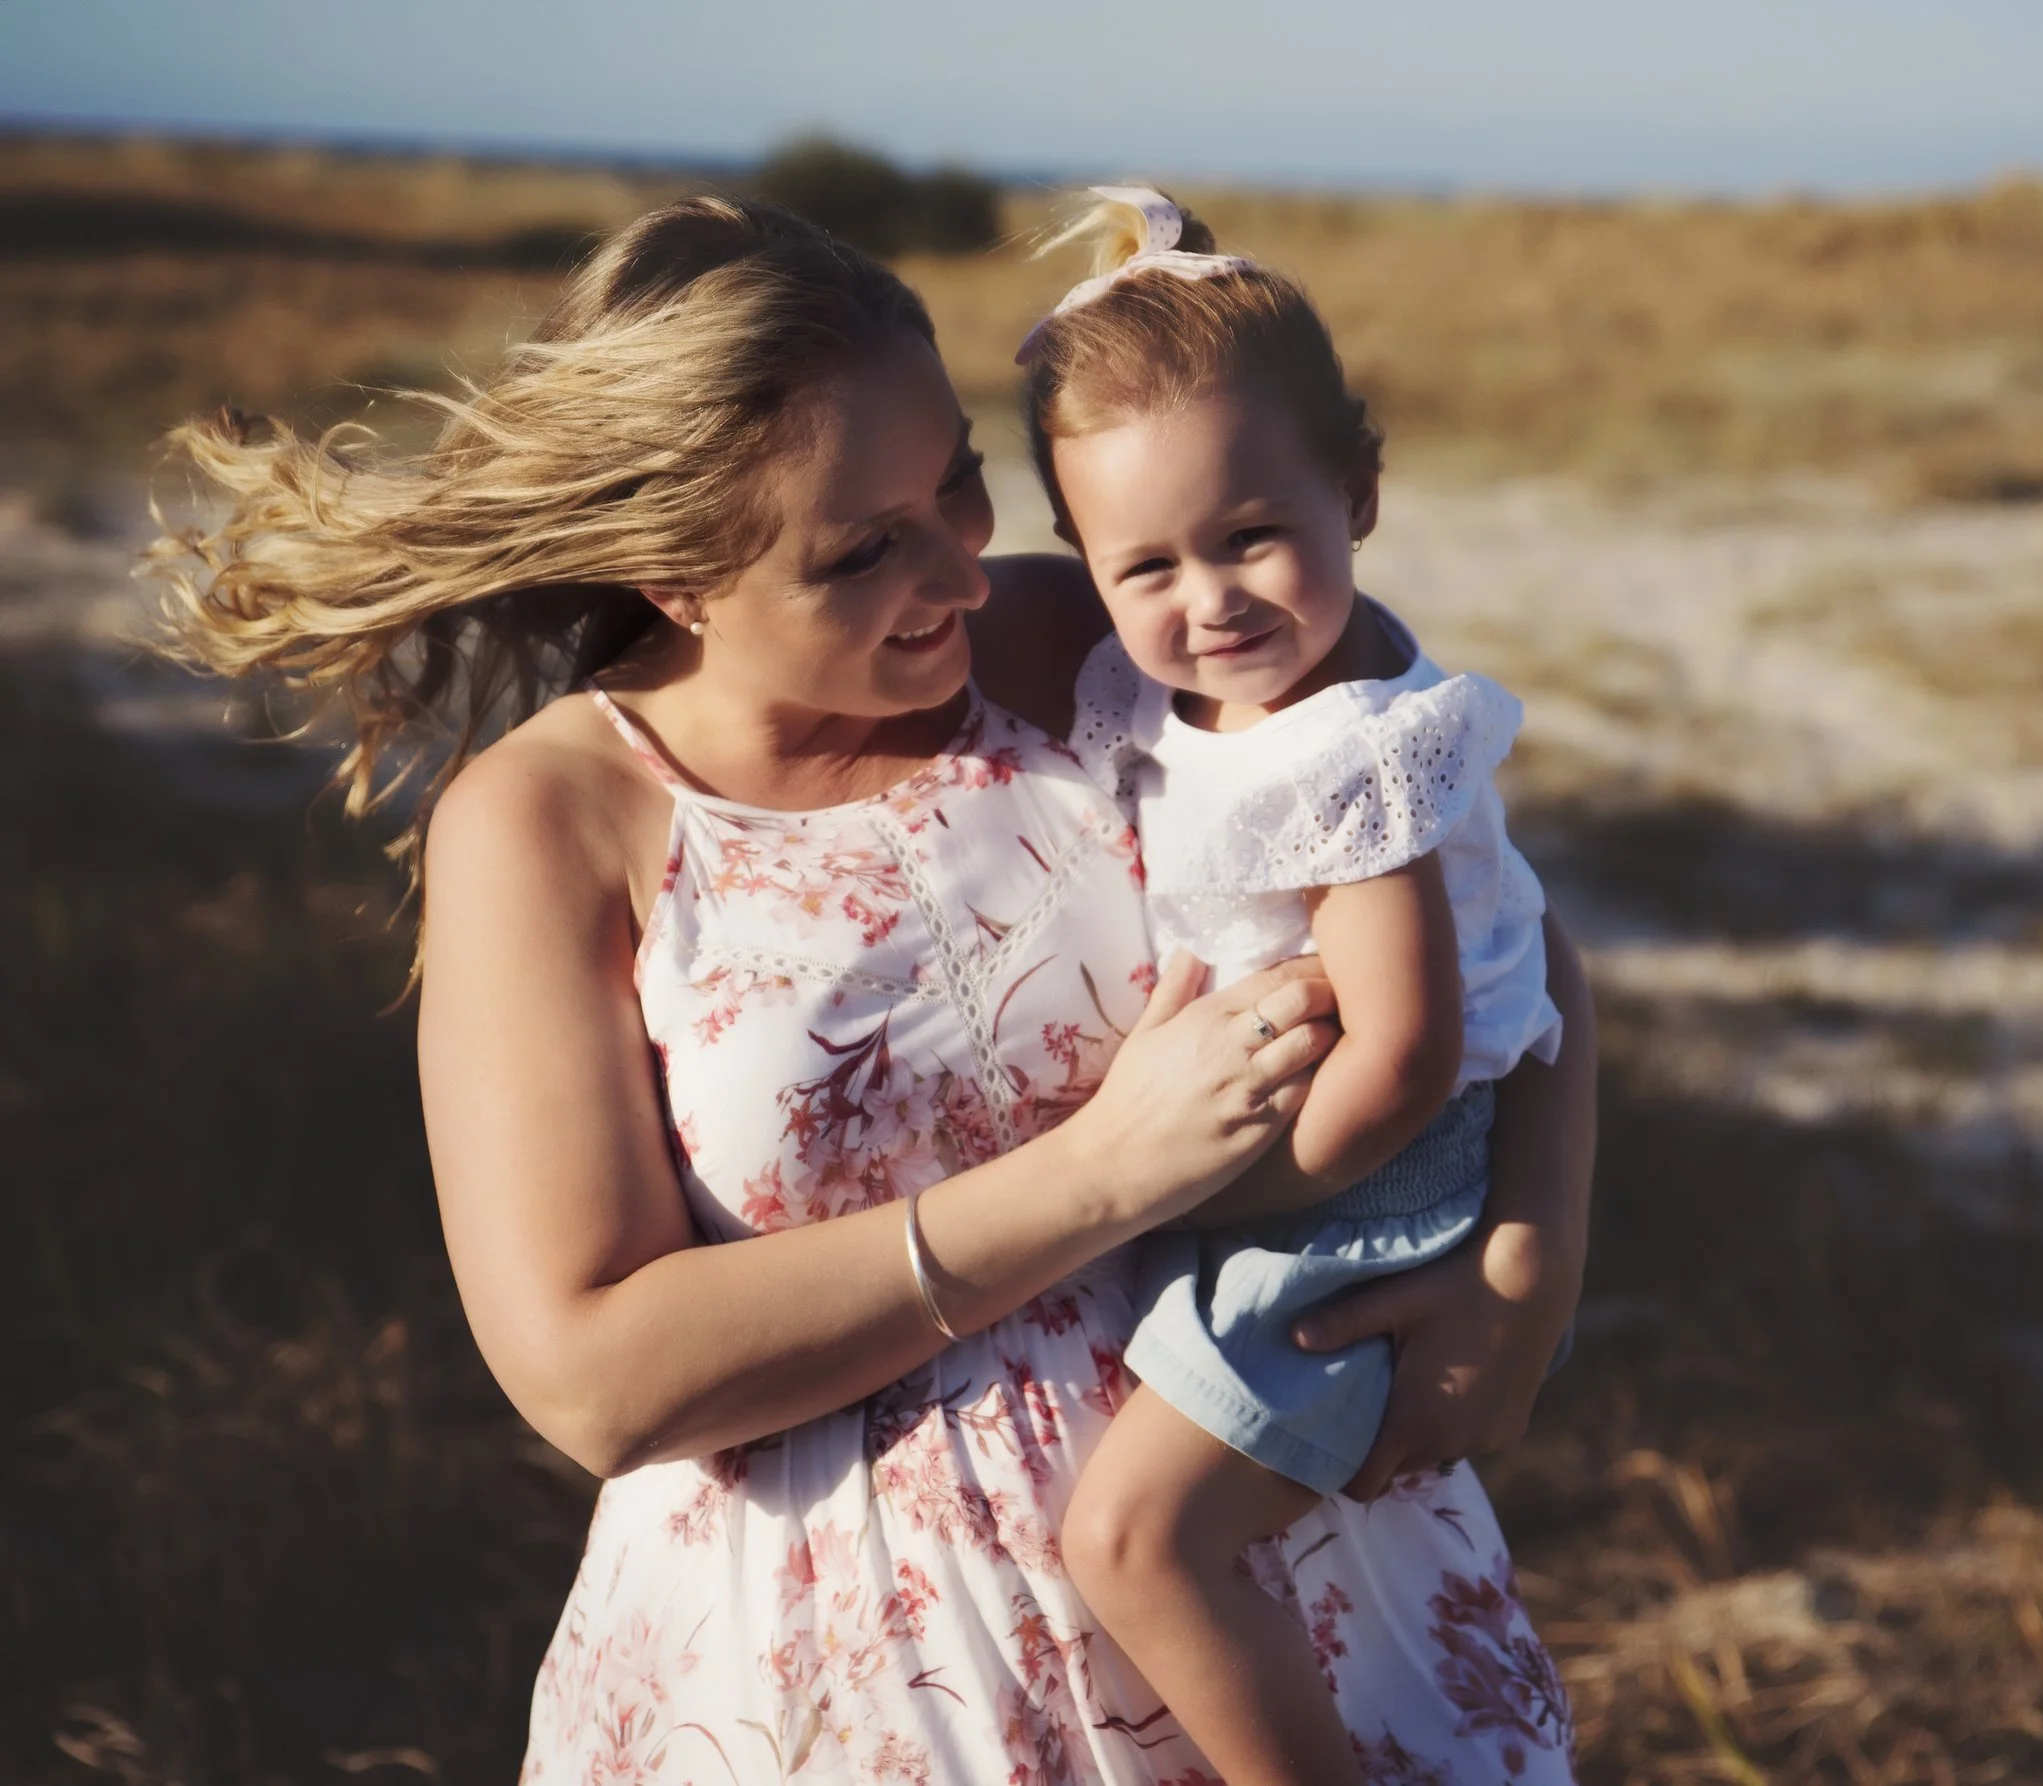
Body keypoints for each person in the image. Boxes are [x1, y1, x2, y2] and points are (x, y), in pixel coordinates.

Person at [148, 194, 1592, 1782]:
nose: (962, 572)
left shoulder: (1086, 634)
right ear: (676, 572)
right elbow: (590, 1372)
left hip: (1295, 1572)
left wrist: (1527, 1266)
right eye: (862, 551)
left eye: (960, 483)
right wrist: (1097, 1178)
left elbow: (1485, 906)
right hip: (844, 1671)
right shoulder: (553, 820)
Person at [1020, 185, 1569, 1786]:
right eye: (1150, 567)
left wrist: (1199, 1193)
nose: (1211, 602)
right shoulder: (1194, 697)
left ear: (1359, 489)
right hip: (1310, 1165)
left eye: (1252, 536)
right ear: (1083, 563)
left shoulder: (1346, 752)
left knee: (1135, 1539)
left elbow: (1404, 1049)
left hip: (1358, 1188)